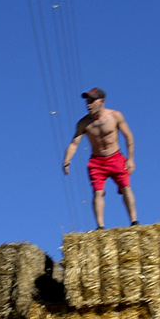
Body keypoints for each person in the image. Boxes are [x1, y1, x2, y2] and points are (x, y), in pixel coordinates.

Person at [62, 87, 138, 229]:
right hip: (97, 162)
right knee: (98, 192)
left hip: (116, 158)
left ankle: (134, 222)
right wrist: (67, 160)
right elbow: (74, 143)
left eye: (92, 101)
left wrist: (131, 159)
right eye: (87, 101)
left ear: (101, 101)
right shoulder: (83, 123)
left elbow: (128, 136)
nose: (88, 105)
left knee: (126, 187)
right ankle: (100, 226)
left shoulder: (115, 116)